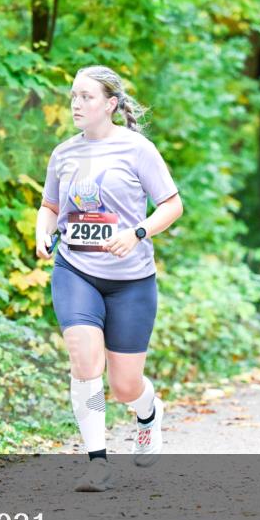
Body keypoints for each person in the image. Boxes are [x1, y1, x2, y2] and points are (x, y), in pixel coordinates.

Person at [35, 65, 183, 492]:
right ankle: (97, 461)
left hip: (131, 281)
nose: (76, 104)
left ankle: (148, 412)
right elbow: (49, 206)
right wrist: (42, 233)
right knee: (84, 361)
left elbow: (171, 206)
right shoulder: (64, 153)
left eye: (86, 97)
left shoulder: (138, 150)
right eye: (73, 96)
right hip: (75, 270)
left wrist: (137, 233)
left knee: (123, 385)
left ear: (111, 105)